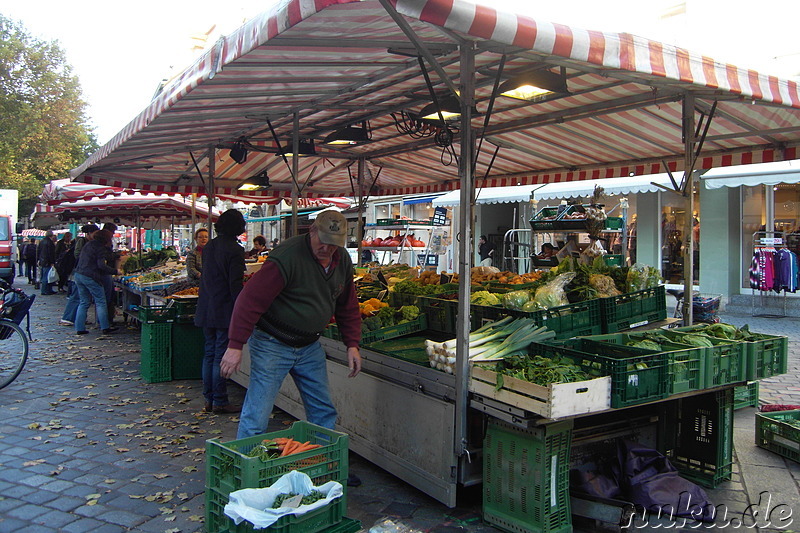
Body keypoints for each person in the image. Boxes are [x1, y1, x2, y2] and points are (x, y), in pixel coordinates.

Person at [219, 210, 362, 440]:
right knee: (257, 415)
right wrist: (235, 345)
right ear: (312, 231)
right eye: (323, 242)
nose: (327, 249)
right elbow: (249, 301)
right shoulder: (287, 256)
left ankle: (323, 464)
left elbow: (347, 305)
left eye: (334, 245)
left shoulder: (342, 260)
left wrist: (352, 343)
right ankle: (246, 469)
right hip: (272, 343)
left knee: (323, 410)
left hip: (309, 345)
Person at [194, 210, 246, 415]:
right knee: (219, 355)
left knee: (209, 353)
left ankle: (208, 398)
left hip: (206, 305)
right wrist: (242, 309)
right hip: (224, 308)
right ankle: (220, 400)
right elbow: (235, 284)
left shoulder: (210, 247)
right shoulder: (235, 249)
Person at [74, 229, 118, 335]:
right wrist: (115, 271)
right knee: (101, 302)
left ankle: (79, 328)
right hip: (90, 276)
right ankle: (105, 327)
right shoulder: (100, 248)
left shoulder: (88, 244)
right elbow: (101, 265)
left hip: (79, 274)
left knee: (84, 302)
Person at [60, 224, 99, 326]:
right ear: (89, 233)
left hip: (83, 272)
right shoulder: (82, 241)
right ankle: (67, 318)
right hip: (80, 271)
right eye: (95, 233)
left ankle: (79, 319)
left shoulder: (89, 242)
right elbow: (77, 255)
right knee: (76, 295)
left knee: (83, 298)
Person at [37, 230, 57, 295]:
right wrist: (52, 262)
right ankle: (45, 290)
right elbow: (51, 253)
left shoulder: (42, 242)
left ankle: (45, 290)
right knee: (47, 276)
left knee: (44, 276)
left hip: (42, 261)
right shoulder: (50, 243)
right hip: (47, 262)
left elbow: (38, 251)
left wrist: (38, 260)